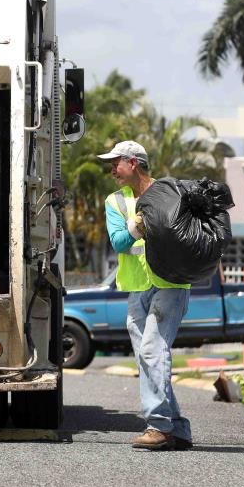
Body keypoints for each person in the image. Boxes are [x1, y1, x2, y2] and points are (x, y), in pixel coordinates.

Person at [98, 140, 193, 451]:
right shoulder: (115, 202)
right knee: (147, 356)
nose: (112, 169)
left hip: (170, 283)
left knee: (153, 350)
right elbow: (120, 243)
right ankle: (177, 428)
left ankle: (158, 425)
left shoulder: (168, 193)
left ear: (133, 163)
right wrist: (139, 225)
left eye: (116, 163)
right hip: (137, 286)